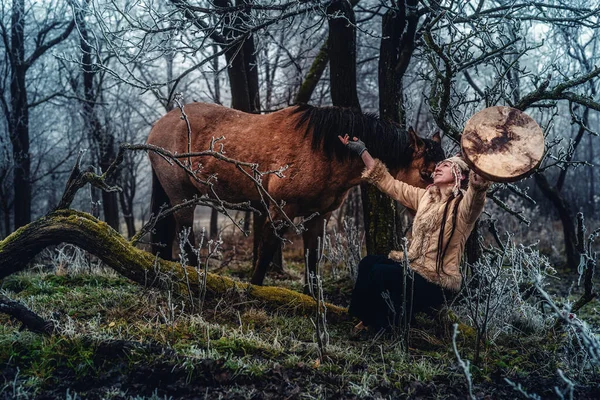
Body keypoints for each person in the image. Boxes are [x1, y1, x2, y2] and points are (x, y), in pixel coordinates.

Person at [338, 134, 491, 332]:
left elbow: (476, 197)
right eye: (438, 165)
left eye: (444, 166)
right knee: (369, 263)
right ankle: (365, 319)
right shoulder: (426, 197)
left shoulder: (462, 207)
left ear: (459, 175)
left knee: (382, 274)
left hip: (436, 281)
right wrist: (362, 150)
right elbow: (389, 184)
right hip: (414, 268)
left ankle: (384, 327)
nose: (437, 168)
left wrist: (479, 178)